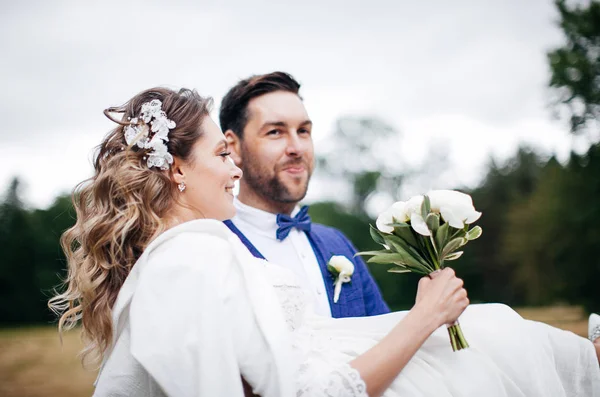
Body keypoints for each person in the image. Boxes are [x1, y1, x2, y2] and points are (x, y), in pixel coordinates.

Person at [49, 86, 600, 397]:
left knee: (509, 333)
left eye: (305, 130)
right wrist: (424, 316)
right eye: (222, 154)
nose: (233, 168)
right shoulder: (193, 260)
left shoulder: (213, 252)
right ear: (175, 172)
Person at [219, 72, 389, 318]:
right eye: (275, 132)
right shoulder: (213, 245)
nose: (296, 148)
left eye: (303, 131)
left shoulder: (338, 243)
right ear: (233, 147)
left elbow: (385, 336)